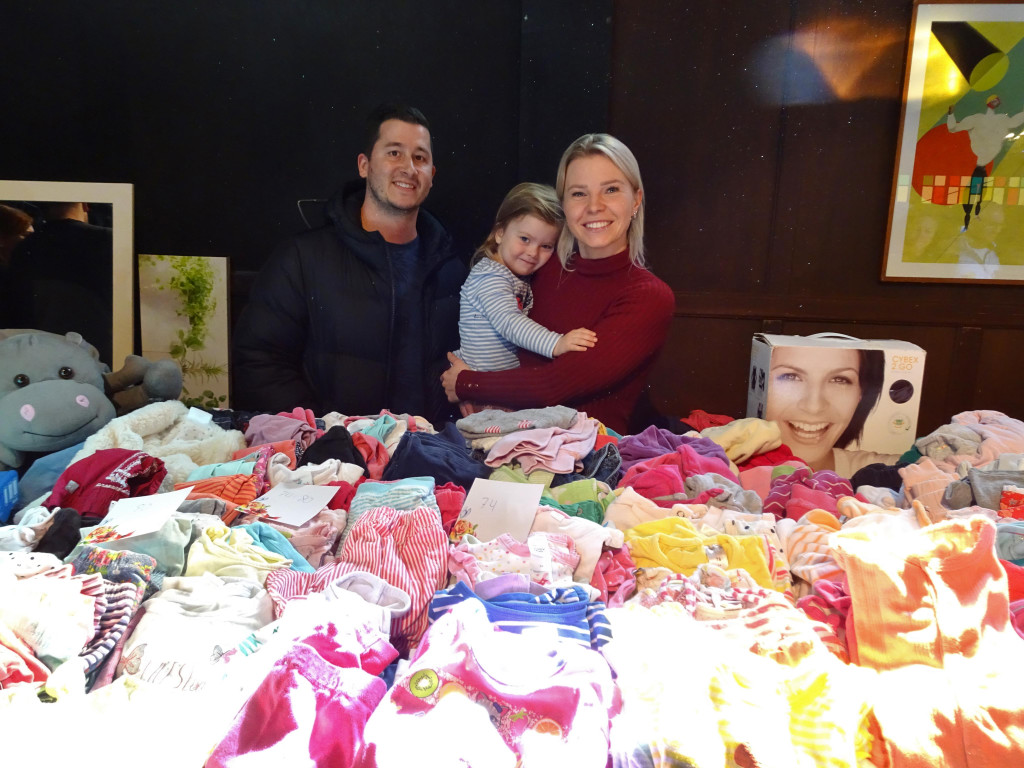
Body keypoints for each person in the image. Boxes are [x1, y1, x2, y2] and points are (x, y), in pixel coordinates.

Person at [232, 104, 467, 424]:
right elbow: (259, 360)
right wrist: (323, 433)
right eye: (394, 153)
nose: (409, 168)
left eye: (420, 157)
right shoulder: (303, 258)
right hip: (333, 451)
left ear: (431, 176)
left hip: (428, 449)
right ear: (364, 165)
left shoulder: (452, 270)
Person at [441, 133, 675, 434]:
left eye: (611, 189)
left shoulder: (649, 297)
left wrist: (467, 383)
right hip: (506, 436)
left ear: (636, 200)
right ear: (563, 204)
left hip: (585, 451)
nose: (594, 206)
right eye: (579, 193)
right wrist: (471, 383)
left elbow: (555, 386)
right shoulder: (542, 265)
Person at [455, 181, 596, 378]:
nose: (532, 253)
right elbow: (510, 322)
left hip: (498, 381)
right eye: (524, 239)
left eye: (546, 246)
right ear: (500, 233)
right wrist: (556, 343)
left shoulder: (516, 274)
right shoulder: (490, 276)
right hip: (482, 380)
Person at [5, 202, 114, 364]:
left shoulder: (25, 247)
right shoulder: (109, 240)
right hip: (100, 353)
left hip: (40, 353)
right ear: (85, 206)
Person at [763, 346, 894, 475]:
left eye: (839, 380)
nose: (814, 407)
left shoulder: (890, 473)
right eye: (790, 376)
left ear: (861, 393)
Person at [947, 95, 1024, 232]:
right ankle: (967, 223)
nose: (995, 102)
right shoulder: (977, 119)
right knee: (971, 197)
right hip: (974, 166)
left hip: (983, 168)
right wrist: (951, 115)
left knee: (978, 195)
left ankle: (973, 218)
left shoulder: (1002, 119)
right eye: (993, 101)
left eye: (997, 101)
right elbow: (953, 128)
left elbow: (1015, 122)